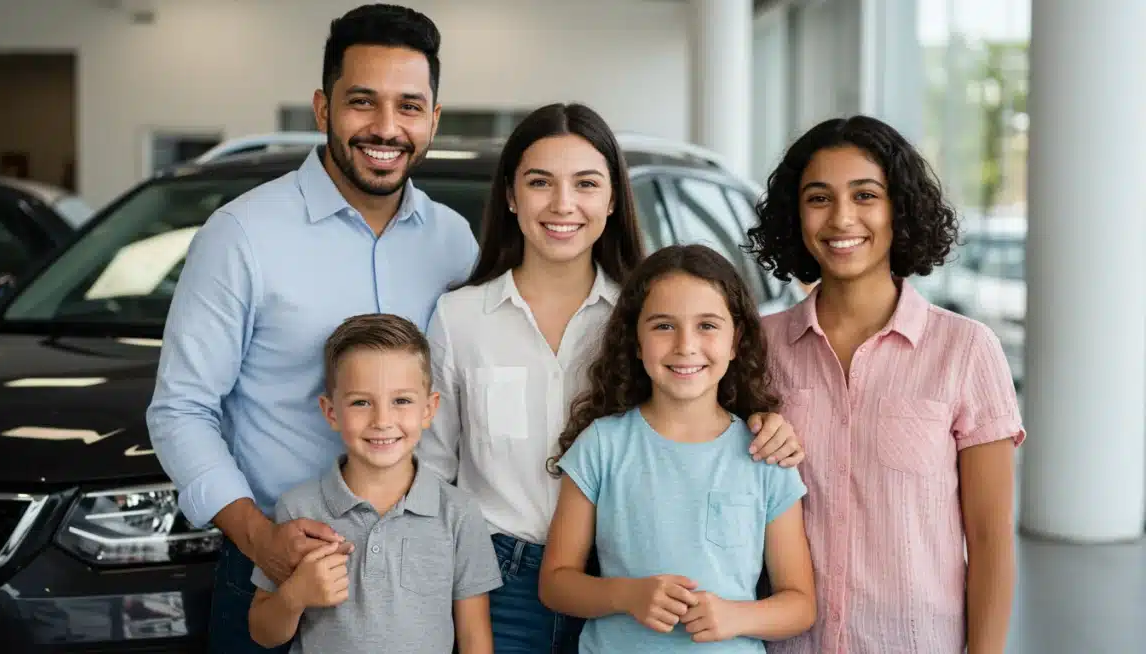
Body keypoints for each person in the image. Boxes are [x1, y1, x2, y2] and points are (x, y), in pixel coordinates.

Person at [145, 5, 478, 652]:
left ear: (433, 119)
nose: (387, 128)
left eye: (410, 106)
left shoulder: (453, 242)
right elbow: (181, 410)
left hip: (417, 576)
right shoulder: (242, 235)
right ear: (323, 109)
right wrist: (258, 539)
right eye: (363, 102)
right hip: (275, 569)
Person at [417, 104, 806, 653]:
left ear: (612, 199)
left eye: (586, 184)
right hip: (495, 587)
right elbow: (431, 477)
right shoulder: (459, 318)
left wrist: (768, 424)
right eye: (539, 182)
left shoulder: (649, 317)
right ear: (510, 195)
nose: (562, 204)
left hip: (637, 584)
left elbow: (712, 407)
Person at [745, 115, 1024, 654]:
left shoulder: (965, 351)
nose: (842, 217)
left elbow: (989, 541)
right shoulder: (758, 348)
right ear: (796, 216)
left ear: (900, 208)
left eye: (865, 195)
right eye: (819, 198)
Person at [537, 244, 817, 653]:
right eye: (664, 326)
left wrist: (739, 616)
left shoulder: (766, 455)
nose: (686, 346)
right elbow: (556, 583)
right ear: (635, 341)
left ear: (736, 340)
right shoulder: (601, 445)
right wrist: (626, 596)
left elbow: (800, 604)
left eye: (707, 325)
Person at [246, 314, 502, 654]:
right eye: (361, 402)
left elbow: (474, 639)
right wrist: (295, 595)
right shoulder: (298, 510)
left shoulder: (459, 513)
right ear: (331, 412)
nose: (382, 421)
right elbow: (262, 632)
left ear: (429, 409)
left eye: (401, 401)